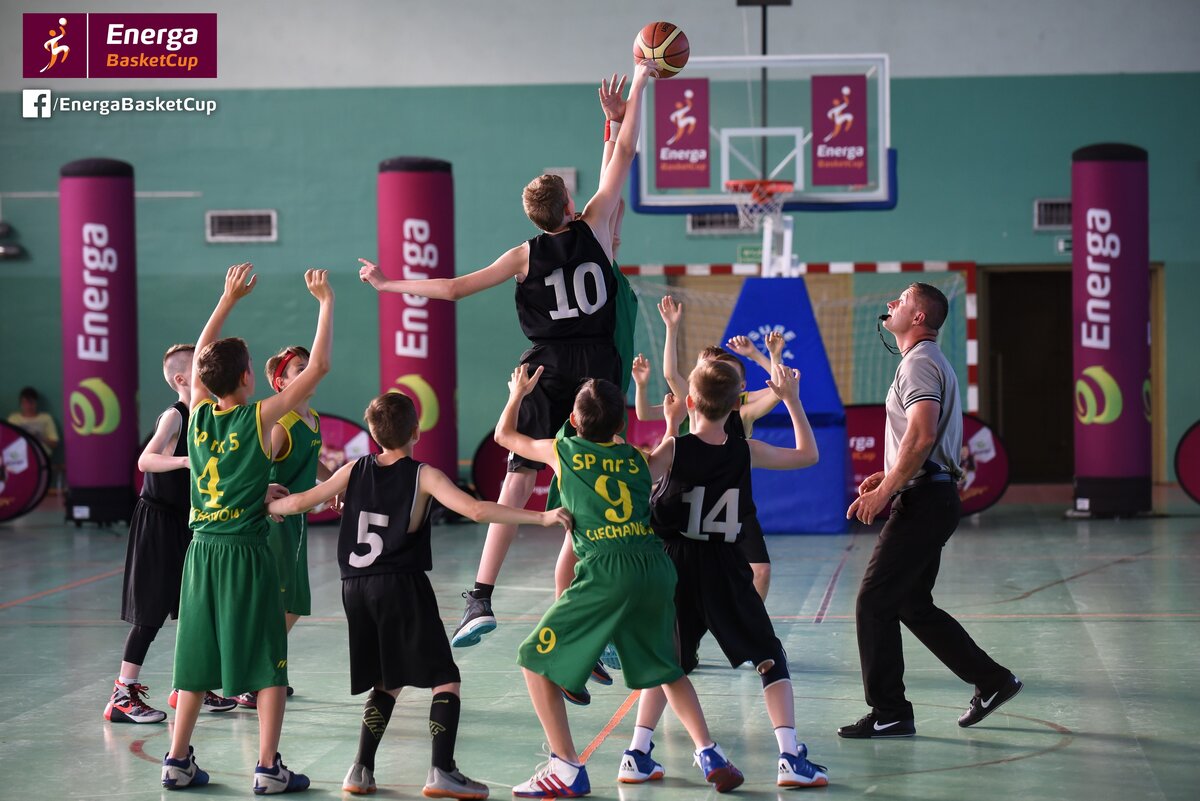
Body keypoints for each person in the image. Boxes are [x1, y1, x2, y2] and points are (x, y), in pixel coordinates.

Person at [359, 61, 660, 649]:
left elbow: (453, 289)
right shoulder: (597, 226)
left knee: (518, 479)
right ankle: (593, 602)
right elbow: (624, 152)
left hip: (544, 368)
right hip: (597, 367)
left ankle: (480, 595)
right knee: (595, 475)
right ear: (570, 204)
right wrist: (640, 80)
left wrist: (389, 283)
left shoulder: (522, 255)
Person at [267, 391, 572, 797]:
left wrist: (265, 504)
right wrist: (541, 516)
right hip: (399, 583)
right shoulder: (423, 474)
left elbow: (302, 501)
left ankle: (360, 769)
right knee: (445, 678)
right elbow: (476, 510)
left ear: (373, 433)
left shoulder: (353, 469)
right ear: (416, 431)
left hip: (354, 588)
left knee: (386, 680)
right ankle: (442, 770)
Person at [496, 365, 744, 797]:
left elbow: (505, 435)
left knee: (533, 660)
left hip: (607, 570)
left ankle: (565, 767)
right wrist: (672, 423)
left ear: (573, 421)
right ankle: (709, 751)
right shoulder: (634, 458)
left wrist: (517, 393)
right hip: (654, 566)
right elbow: (663, 460)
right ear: (620, 424)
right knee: (668, 668)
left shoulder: (562, 450)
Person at [160, 263, 333, 793]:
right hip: (244, 551)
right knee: (268, 663)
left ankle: (176, 759)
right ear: (246, 378)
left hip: (200, 552)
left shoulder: (197, 415)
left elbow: (202, 352)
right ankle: (268, 767)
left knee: (194, 660)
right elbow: (318, 368)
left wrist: (227, 298)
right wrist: (326, 302)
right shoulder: (258, 418)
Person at [620, 359, 828, 789]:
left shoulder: (674, 449)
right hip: (724, 565)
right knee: (769, 656)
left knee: (668, 661)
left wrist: (666, 429)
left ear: (690, 402)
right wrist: (791, 400)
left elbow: (638, 484)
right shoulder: (745, 450)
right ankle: (790, 756)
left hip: (673, 565)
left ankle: (637, 753)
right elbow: (808, 455)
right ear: (736, 405)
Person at [840, 282, 1022, 739]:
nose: (890, 303)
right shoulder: (925, 361)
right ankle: (993, 681)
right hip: (931, 495)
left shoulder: (919, 363)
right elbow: (923, 443)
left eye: (901, 300)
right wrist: (888, 475)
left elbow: (922, 437)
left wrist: (886, 493)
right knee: (909, 603)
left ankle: (890, 712)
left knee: (873, 601)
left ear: (919, 317)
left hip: (923, 501)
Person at [105, 345, 238, 724]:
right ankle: (121, 694)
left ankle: (189, 686)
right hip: (157, 521)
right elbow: (145, 460)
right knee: (150, 612)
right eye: (199, 368)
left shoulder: (208, 416)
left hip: (188, 521)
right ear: (182, 379)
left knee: (196, 607)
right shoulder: (175, 416)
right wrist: (184, 460)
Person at [232, 345, 334, 710]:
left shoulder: (312, 419)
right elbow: (251, 467)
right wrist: (262, 498)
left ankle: (263, 673)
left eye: (309, 366)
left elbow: (314, 461)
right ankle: (254, 677)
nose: (308, 372)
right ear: (282, 383)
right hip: (275, 522)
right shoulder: (281, 424)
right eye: (299, 369)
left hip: (297, 519)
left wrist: (335, 486)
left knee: (293, 602)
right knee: (280, 603)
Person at [8, 386, 59, 456]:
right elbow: (7, 441)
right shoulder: (13, 419)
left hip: (41, 454)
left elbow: (54, 444)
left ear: (36, 403)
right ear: (21, 404)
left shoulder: (46, 418)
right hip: (20, 454)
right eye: (25, 402)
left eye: (31, 402)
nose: (28, 406)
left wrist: (41, 438)